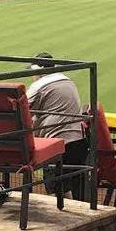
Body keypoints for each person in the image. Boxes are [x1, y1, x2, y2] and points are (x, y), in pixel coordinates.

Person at [27, 52, 88, 200]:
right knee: (71, 187)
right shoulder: (67, 80)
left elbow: (21, 111)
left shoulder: (39, 85)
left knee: (55, 191)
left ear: (38, 70)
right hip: (78, 142)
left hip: (56, 145)